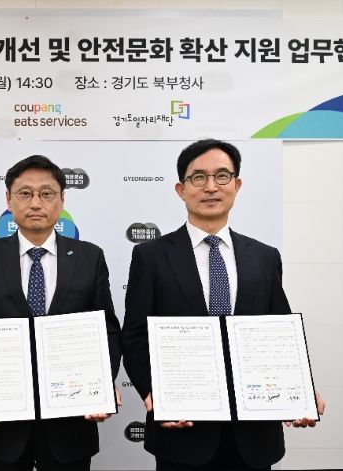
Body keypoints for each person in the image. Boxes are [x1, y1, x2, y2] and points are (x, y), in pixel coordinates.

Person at [121, 139, 326, 470]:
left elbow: (278, 334)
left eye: (222, 176)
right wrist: (153, 392)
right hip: (183, 429)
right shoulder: (151, 256)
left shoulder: (265, 256)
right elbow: (135, 335)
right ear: (181, 189)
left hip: (254, 434)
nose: (211, 187)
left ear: (237, 185)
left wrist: (300, 391)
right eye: (198, 177)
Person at [0, 155, 122, 471]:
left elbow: (107, 330)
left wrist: (102, 386)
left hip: (70, 422)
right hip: (0, 424)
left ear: (62, 200)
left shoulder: (89, 257)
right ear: (8, 200)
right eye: (25, 193)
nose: (36, 203)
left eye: (46, 193)